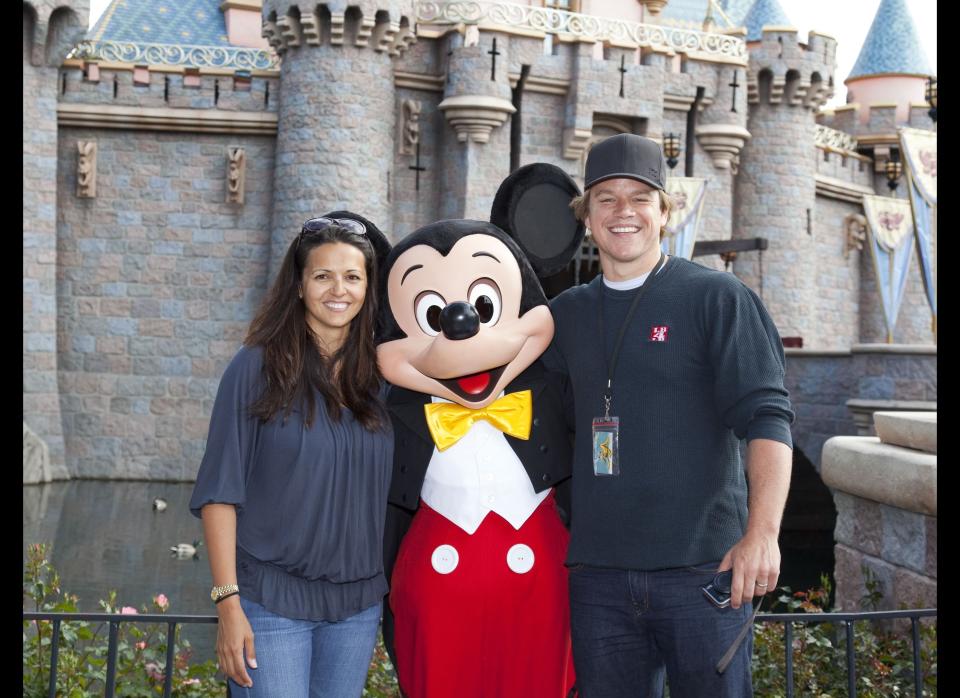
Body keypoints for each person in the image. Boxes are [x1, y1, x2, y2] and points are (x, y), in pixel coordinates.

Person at [541, 133, 795, 696]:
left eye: (640, 198)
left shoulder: (717, 297)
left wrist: (763, 534)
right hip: (599, 577)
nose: (623, 211)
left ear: (665, 212)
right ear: (587, 217)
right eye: (606, 198)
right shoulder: (564, 315)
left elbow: (768, 418)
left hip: (705, 574)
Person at [189, 213, 393, 697]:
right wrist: (228, 604)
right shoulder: (256, 367)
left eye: (352, 276)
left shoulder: (382, 375)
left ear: (368, 288)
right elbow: (219, 492)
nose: (337, 289)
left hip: (357, 607)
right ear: (299, 286)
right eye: (322, 275)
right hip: (270, 603)